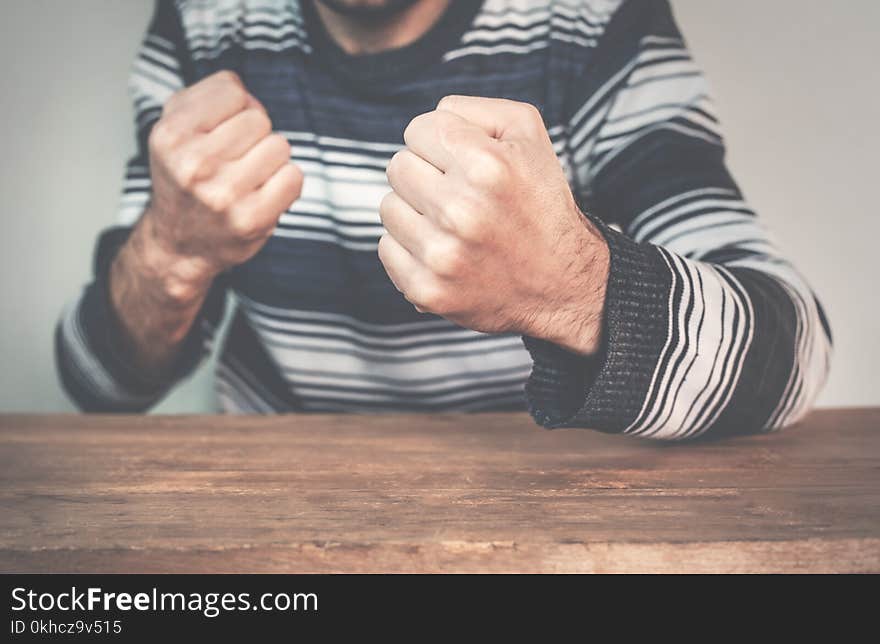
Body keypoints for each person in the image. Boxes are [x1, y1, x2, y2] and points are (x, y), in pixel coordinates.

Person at [56, 0, 832, 441]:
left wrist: (567, 285)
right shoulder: (206, 24)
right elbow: (98, 382)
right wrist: (169, 251)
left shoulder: (596, 23)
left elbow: (794, 353)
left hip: (543, 518)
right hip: (277, 528)